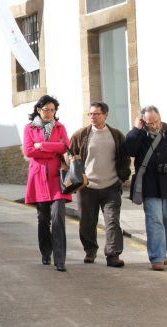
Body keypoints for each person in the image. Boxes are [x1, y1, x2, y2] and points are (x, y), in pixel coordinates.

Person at [122, 105, 167, 271]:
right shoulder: (139, 135)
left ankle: (162, 249)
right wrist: (137, 129)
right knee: (154, 220)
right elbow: (128, 150)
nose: (154, 125)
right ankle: (157, 257)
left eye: (156, 121)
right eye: (149, 123)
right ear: (143, 121)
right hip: (150, 184)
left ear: (160, 117)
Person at [69, 101, 131, 267]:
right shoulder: (80, 135)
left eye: (96, 114)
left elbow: (125, 160)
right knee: (87, 222)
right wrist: (77, 180)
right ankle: (90, 250)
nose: (93, 117)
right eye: (90, 114)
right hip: (87, 187)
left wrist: (121, 178)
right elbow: (71, 157)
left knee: (112, 221)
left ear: (105, 115)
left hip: (111, 186)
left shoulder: (117, 135)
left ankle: (112, 255)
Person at [23, 95, 71, 272]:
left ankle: (60, 260)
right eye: (46, 110)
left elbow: (65, 146)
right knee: (43, 219)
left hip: (58, 180)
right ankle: (46, 252)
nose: (50, 113)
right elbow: (28, 151)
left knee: (58, 218)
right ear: (38, 110)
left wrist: (41, 146)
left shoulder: (61, 127)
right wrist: (52, 147)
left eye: (53, 110)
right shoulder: (29, 128)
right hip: (39, 179)